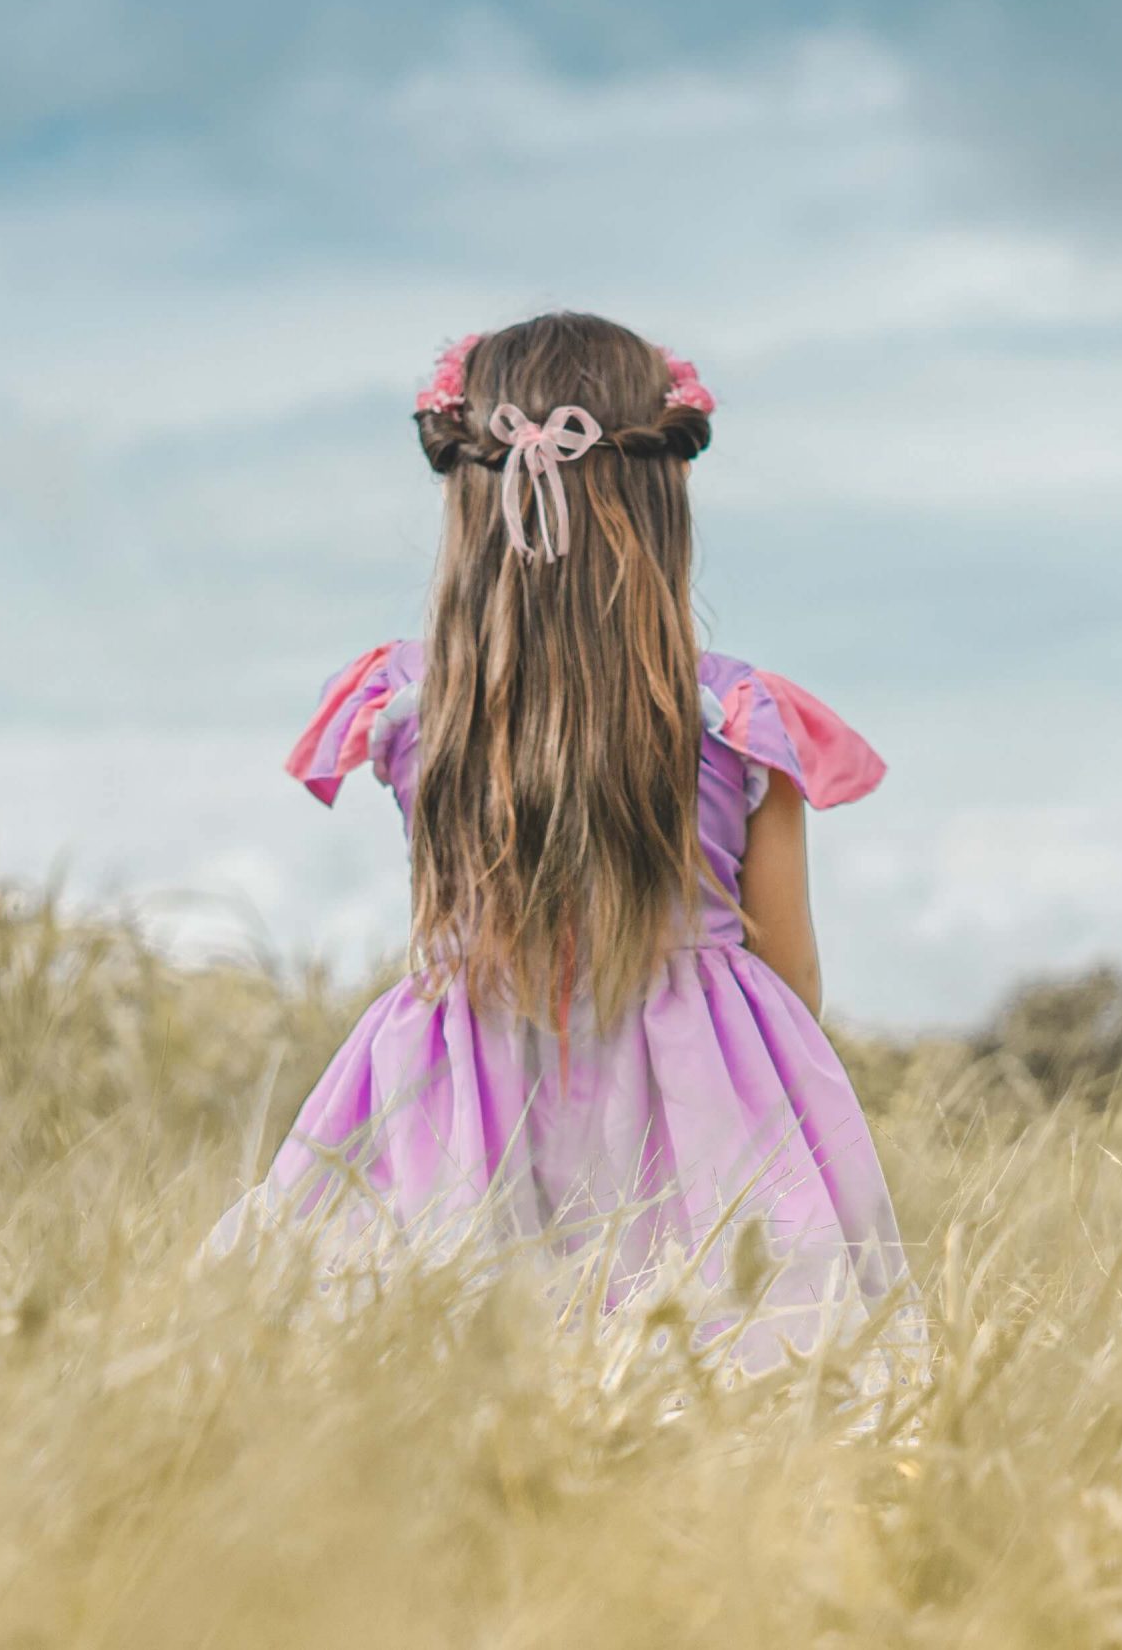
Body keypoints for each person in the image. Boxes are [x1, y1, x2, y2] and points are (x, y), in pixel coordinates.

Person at [217, 312, 909, 1361]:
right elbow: (793, 978)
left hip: (464, 1079)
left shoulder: (409, 708)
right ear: (662, 496)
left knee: (429, 1364)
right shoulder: (738, 720)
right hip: (705, 1097)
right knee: (729, 1373)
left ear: (468, 499)